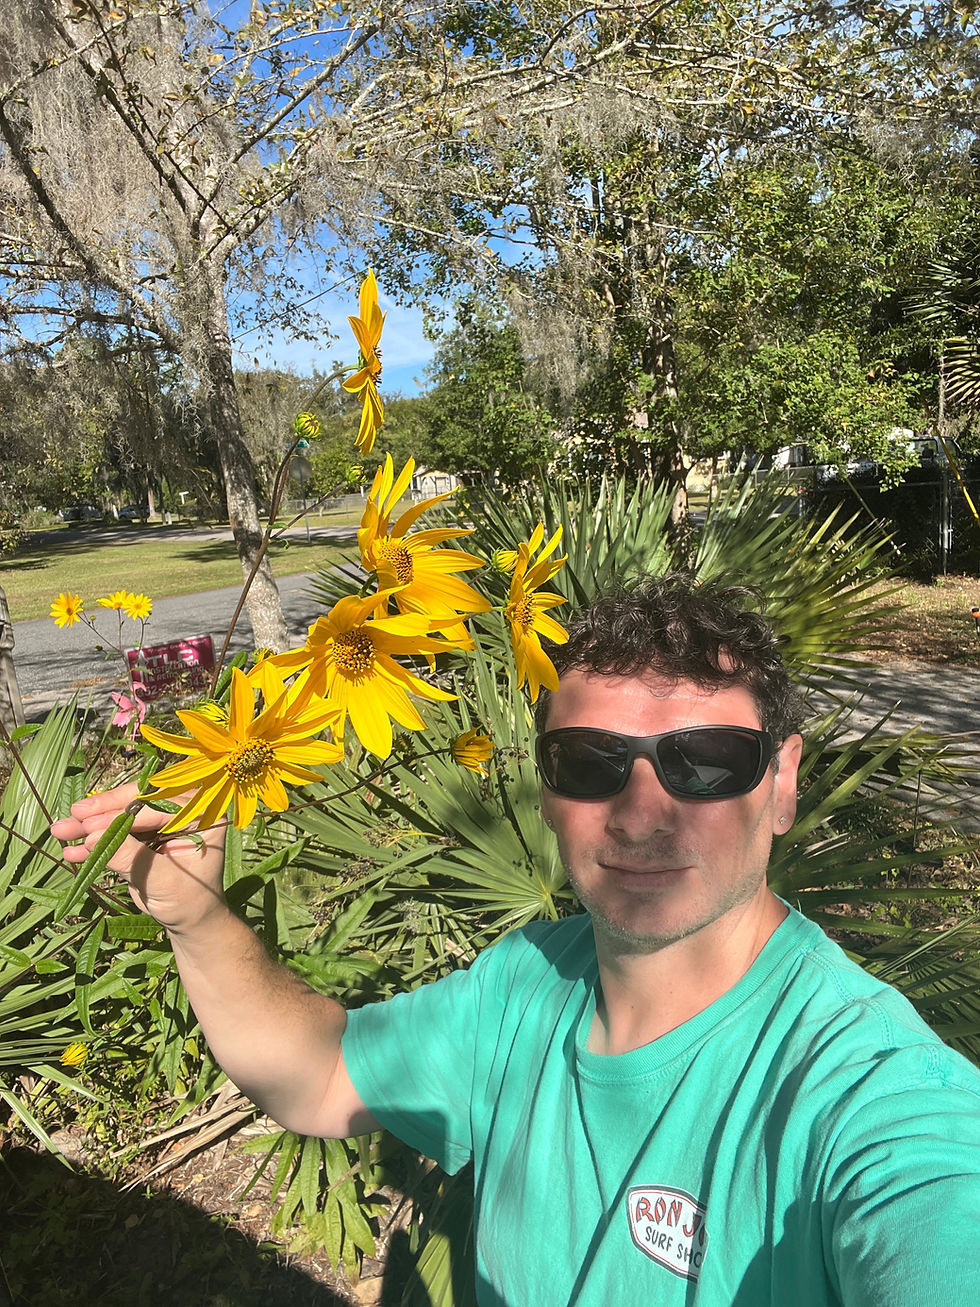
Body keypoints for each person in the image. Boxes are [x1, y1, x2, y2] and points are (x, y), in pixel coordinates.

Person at [52, 573, 980, 1305]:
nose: (641, 812)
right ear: (546, 785)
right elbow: (321, 1074)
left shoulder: (868, 1090)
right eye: (591, 760)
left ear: (780, 781)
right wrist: (197, 915)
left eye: (704, 760)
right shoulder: (524, 982)